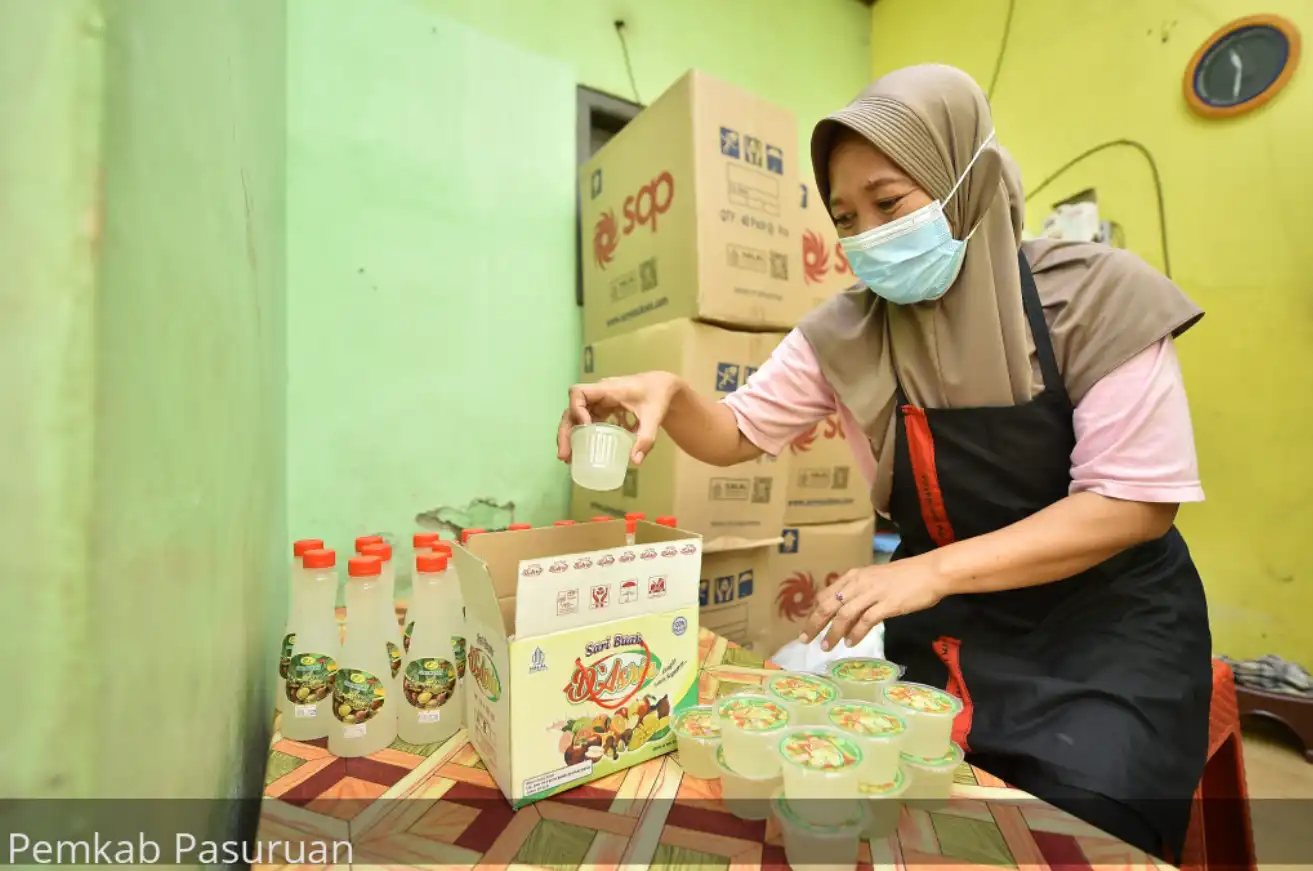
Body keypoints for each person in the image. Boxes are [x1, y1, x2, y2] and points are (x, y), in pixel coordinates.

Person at [555, 64, 1211, 861]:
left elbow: (1133, 504)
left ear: (963, 178)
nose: (866, 234)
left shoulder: (1096, 297)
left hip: (1106, 629)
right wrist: (672, 393)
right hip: (953, 626)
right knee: (919, 818)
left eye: (888, 202)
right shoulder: (844, 332)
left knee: (1080, 829)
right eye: (844, 217)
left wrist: (927, 572)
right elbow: (735, 432)